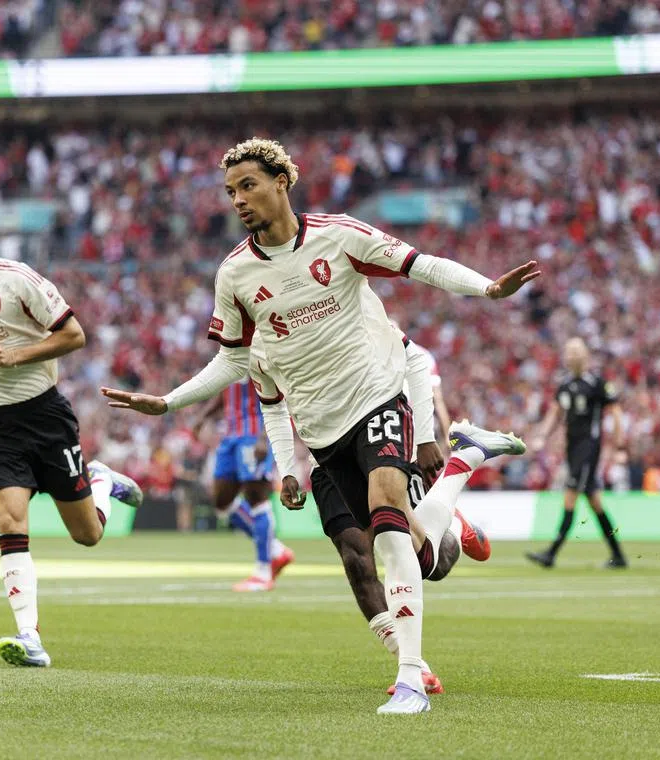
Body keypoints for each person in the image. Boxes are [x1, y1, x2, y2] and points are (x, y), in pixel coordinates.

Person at [101, 137, 537, 714]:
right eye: (230, 191)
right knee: (418, 557)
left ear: (282, 181)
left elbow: (419, 265)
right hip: (323, 433)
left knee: (384, 531)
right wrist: (168, 402)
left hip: (379, 397)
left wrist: (486, 288)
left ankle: (410, 680)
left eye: (248, 186)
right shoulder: (233, 275)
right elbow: (235, 359)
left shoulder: (340, 236)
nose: (238, 200)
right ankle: (463, 465)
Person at [0, 189, 142, 668]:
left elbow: (74, 334)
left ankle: (100, 480)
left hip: (44, 416)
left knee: (87, 535)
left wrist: (19, 353)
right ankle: (30, 637)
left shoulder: (19, 280)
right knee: (9, 519)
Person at [250, 328, 507, 696]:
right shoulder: (266, 338)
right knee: (356, 557)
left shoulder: (349, 308)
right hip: (327, 456)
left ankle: (448, 513)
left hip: (379, 440)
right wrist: (287, 467)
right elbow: (273, 405)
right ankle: (411, 663)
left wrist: (424, 435)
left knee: (430, 562)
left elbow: (418, 366)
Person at [525, 338, 627, 569]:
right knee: (595, 503)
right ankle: (618, 555)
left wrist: (619, 444)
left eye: (576, 351)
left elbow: (616, 412)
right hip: (572, 448)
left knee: (570, 494)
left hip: (589, 448)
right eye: (568, 352)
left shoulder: (597, 383)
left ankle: (551, 554)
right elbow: (555, 413)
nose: (571, 356)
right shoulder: (565, 384)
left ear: (586, 356)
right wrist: (542, 435)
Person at [193, 380, 294, 591]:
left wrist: (265, 438)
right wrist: (203, 417)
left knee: (256, 497)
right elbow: (226, 390)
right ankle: (275, 549)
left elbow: (279, 391)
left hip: (254, 433)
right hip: (230, 436)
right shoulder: (229, 352)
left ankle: (263, 572)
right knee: (221, 501)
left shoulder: (259, 350)